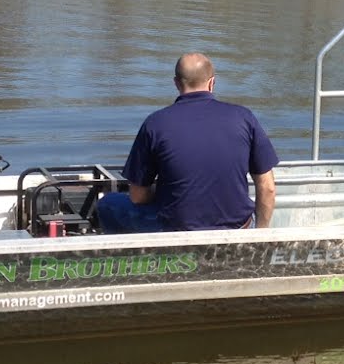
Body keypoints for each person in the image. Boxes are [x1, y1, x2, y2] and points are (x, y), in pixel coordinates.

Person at [97, 53, 279, 233]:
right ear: (212, 83)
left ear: (176, 83)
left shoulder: (155, 123)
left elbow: (137, 196)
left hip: (175, 230)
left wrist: (159, 193)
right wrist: (259, 235)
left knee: (107, 204)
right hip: (239, 227)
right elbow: (268, 188)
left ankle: (131, 259)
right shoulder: (244, 118)